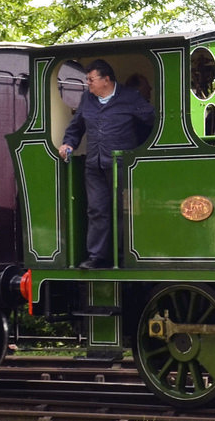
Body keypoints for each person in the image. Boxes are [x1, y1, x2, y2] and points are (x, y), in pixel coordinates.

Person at [59, 59, 155, 269]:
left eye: (91, 79)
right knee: (96, 210)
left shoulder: (130, 98)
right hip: (95, 164)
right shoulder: (87, 99)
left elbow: (152, 121)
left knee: (124, 210)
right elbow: (76, 127)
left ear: (106, 80)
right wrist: (68, 144)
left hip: (123, 164)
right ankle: (97, 256)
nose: (88, 84)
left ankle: (124, 256)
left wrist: (145, 151)